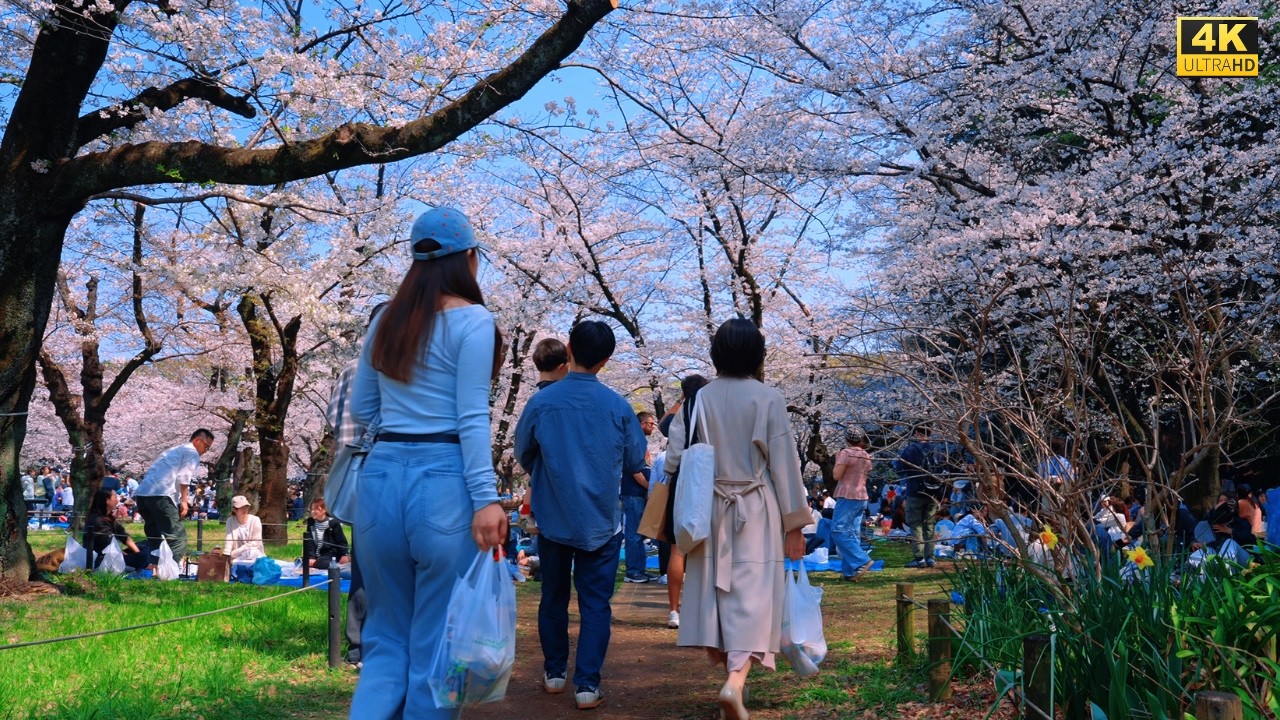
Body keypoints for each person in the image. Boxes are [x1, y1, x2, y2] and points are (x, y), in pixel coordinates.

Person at [348, 206, 506, 719]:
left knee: (384, 639)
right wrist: (486, 499)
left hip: (379, 479)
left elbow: (361, 410)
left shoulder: (386, 320)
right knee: (437, 646)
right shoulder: (475, 321)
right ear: (469, 260)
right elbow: (471, 418)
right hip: (444, 481)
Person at [663, 318, 809, 720]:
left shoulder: (697, 401)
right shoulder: (768, 399)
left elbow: (674, 458)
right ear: (757, 355)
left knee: (717, 597)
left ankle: (729, 671)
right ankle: (736, 681)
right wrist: (794, 524)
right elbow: (784, 464)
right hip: (756, 511)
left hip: (707, 510)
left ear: (716, 353)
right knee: (754, 601)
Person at [514, 320, 647, 710]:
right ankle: (587, 685)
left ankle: (555, 674)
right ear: (606, 361)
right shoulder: (619, 407)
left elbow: (524, 451)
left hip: (554, 517)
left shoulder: (541, 402)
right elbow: (635, 459)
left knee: (552, 598)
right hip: (601, 522)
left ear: (568, 349)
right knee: (595, 605)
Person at [134, 429, 214, 564]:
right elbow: (184, 478)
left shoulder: (173, 450)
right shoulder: (191, 452)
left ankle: (153, 568)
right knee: (177, 537)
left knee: (155, 536)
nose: (205, 451)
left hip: (142, 495)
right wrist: (184, 501)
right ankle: (172, 570)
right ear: (197, 441)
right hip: (161, 495)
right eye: (206, 446)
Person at [894, 425, 942, 568]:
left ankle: (919, 557)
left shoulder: (910, 450)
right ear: (930, 433)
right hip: (932, 493)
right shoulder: (938, 450)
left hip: (915, 491)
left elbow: (899, 468)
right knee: (929, 525)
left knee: (915, 525)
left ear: (917, 433)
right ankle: (930, 557)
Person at [831, 430, 874, 581]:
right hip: (861, 495)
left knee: (838, 530)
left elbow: (836, 475)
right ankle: (851, 571)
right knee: (852, 533)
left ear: (846, 438)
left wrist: (838, 460)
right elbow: (865, 478)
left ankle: (861, 560)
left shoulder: (846, 453)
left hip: (847, 495)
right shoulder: (866, 455)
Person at [620, 411, 656, 584]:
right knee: (634, 534)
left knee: (640, 535)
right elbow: (635, 470)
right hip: (634, 493)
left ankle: (640, 569)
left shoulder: (640, 441)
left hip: (639, 494)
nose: (653, 426)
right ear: (642, 424)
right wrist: (650, 488)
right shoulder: (634, 442)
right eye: (650, 424)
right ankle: (633, 571)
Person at [84, 488, 149, 572]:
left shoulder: (109, 518)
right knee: (144, 556)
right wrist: (138, 555)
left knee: (146, 544)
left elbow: (124, 536)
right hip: (102, 559)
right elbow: (108, 546)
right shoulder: (96, 520)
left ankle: (143, 560)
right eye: (115, 497)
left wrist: (137, 552)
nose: (117, 500)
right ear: (107, 500)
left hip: (115, 554)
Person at [303, 497, 350, 569]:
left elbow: (341, 540)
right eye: (312, 509)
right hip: (317, 554)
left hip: (330, 553)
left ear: (324, 510)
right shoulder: (311, 522)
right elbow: (310, 541)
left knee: (320, 563)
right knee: (303, 561)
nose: (313, 511)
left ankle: (337, 567)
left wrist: (345, 554)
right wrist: (311, 557)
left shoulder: (333, 523)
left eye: (316, 509)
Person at [223, 495, 265, 562]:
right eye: (241, 507)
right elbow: (229, 539)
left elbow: (256, 542)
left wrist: (238, 551)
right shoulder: (230, 521)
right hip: (237, 557)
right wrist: (226, 555)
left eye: (246, 506)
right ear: (234, 510)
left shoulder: (255, 520)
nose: (245, 509)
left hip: (254, 555)